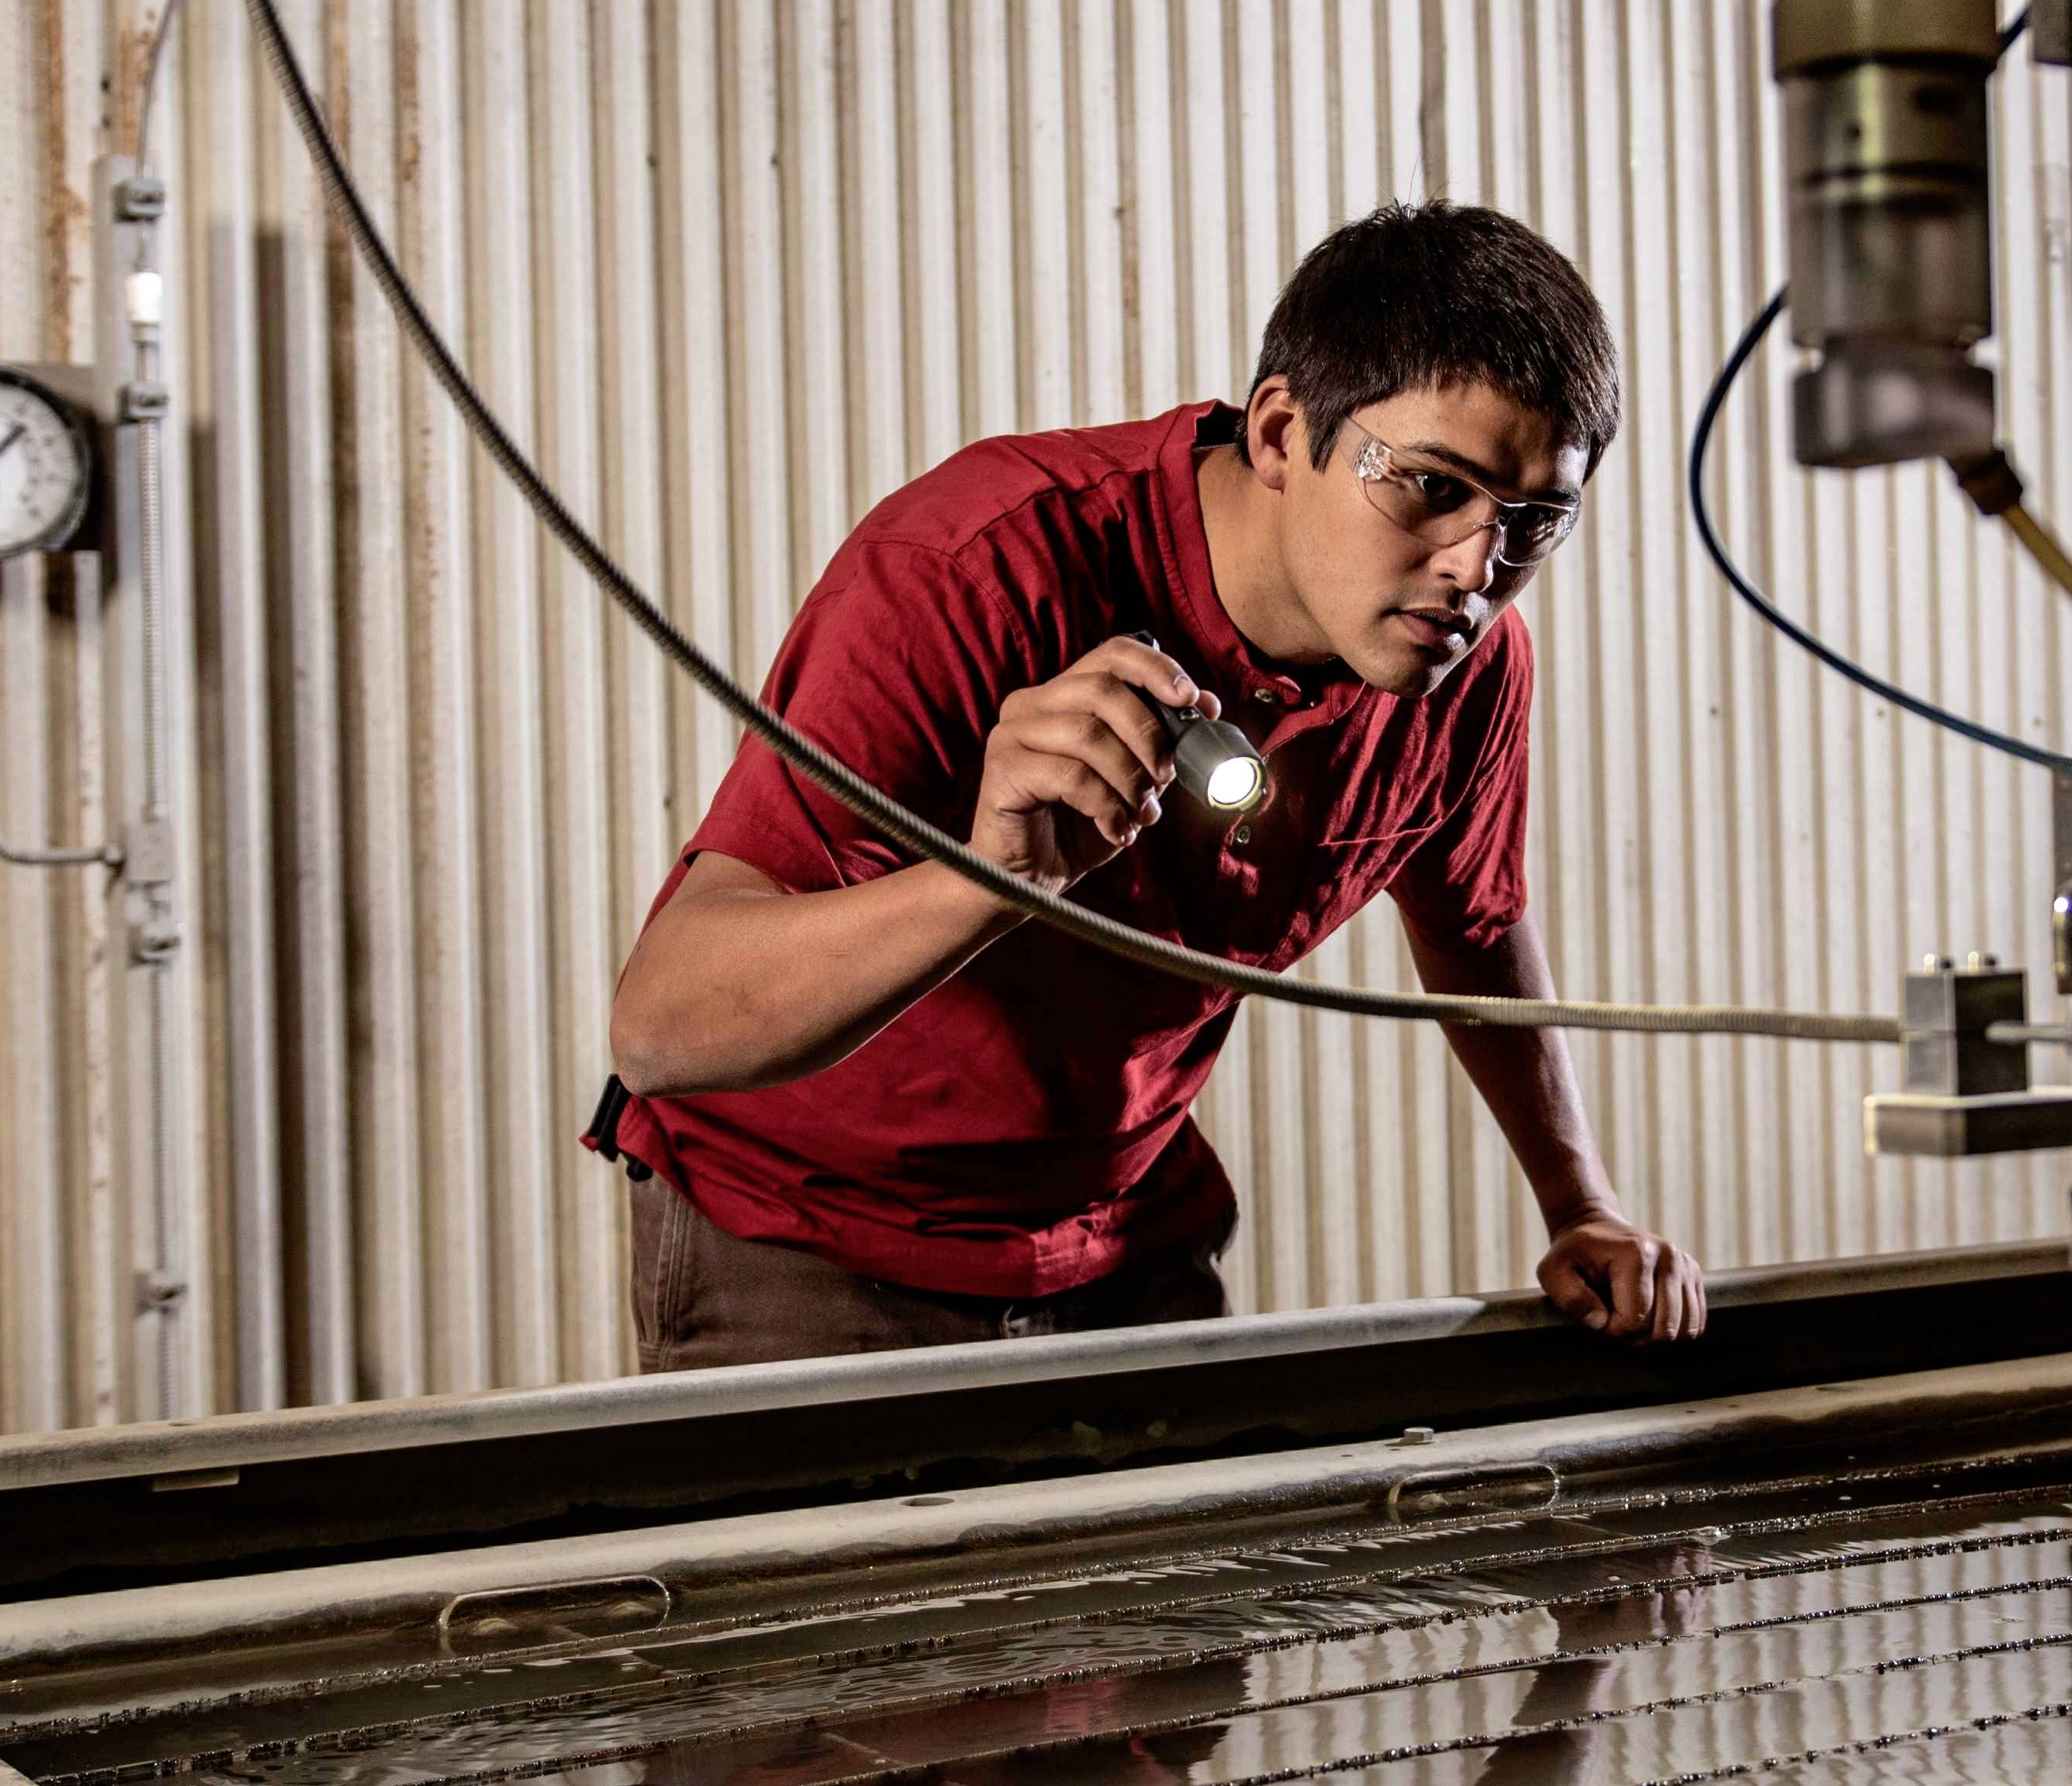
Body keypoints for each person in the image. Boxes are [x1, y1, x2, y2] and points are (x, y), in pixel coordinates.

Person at [590, 202, 1707, 1369]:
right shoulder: (972, 571)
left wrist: (1580, 1200)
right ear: (1280, 433)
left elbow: (1475, 928)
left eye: (1535, 521)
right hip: (807, 1245)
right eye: (1429, 487)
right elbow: (661, 1030)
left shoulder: (1457, 671)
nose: (1476, 571)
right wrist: (993, 881)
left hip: (1120, 1242)